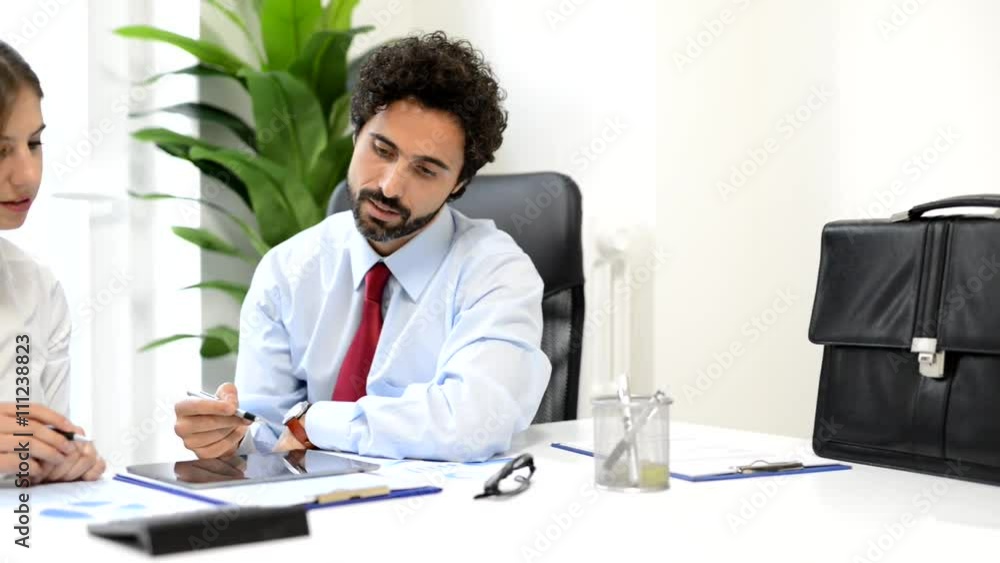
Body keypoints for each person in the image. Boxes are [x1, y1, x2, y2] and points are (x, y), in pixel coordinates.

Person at [174, 32, 551, 462]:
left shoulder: (496, 273)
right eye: (382, 150)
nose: (390, 187)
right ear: (356, 135)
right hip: (312, 501)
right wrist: (228, 438)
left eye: (425, 170)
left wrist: (314, 423)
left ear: (459, 184)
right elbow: (266, 437)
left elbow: (471, 423)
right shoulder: (288, 270)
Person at [0, 40, 105, 483]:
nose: (28, 175)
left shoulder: (38, 290)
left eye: (34, 143)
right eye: (1, 151)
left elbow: (30, 475)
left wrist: (62, 463)